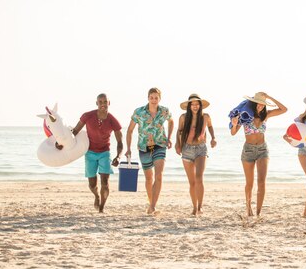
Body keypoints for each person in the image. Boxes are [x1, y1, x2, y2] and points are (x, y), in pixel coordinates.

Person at [56, 93, 123, 213]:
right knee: (92, 184)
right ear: (96, 103)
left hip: (104, 153)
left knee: (105, 183)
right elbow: (75, 131)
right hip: (90, 153)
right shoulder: (87, 116)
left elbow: (120, 142)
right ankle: (96, 196)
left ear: (109, 103)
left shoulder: (113, 120)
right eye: (100, 102)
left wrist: (118, 156)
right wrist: (62, 142)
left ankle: (102, 207)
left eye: (105, 102)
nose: (103, 104)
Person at [230, 92, 287, 217]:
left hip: (262, 150)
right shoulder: (245, 116)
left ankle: (258, 212)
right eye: (258, 104)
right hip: (248, 150)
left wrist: (269, 97)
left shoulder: (266, 115)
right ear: (253, 103)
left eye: (263, 104)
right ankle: (248, 209)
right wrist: (234, 125)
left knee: (261, 182)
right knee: (249, 183)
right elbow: (233, 133)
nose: (260, 106)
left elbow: (284, 109)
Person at [126, 87, 174, 215]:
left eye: (156, 98)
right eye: (151, 97)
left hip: (160, 145)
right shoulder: (139, 112)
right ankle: (151, 202)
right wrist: (128, 148)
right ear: (148, 98)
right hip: (144, 147)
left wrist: (169, 138)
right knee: (149, 178)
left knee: (158, 175)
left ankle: (152, 206)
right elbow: (129, 130)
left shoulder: (164, 111)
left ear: (160, 99)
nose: (154, 100)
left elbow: (171, 121)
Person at [175, 93, 217, 216]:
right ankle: (194, 207)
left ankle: (200, 207)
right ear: (189, 106)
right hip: (187, 149)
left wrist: (213, 138)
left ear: (200, 105)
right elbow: (179, 131)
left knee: (199, 178)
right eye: (192, 104)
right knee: (192, 182)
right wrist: (178, 145)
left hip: (201, 149)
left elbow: (210, 127)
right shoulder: (183, 117)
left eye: (197, 104)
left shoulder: (205, 117)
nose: (195, 106)